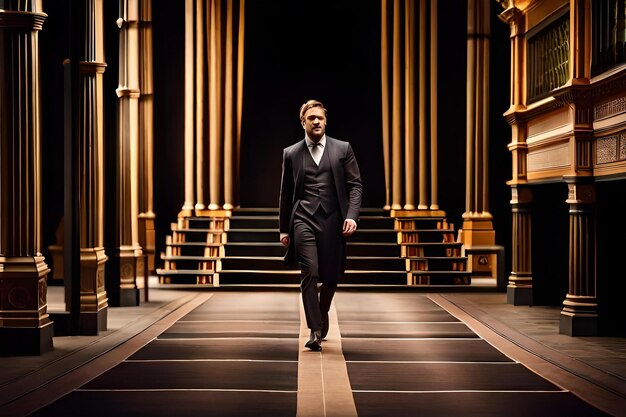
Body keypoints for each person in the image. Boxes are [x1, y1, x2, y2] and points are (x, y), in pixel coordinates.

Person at [279, 99, 363, 351]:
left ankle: (322, 311)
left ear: (326, 121)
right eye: (311, 118)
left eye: (320, 118)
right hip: (302, 219)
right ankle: (314, 330)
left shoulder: (342, 149)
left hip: (333, 220)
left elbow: (355, 186)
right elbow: (285, 193)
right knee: (310, 272)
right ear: (302, 122)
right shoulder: (291, 153)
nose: (316, 121)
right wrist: (284, 228)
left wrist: (351, 215)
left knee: (330, 276)